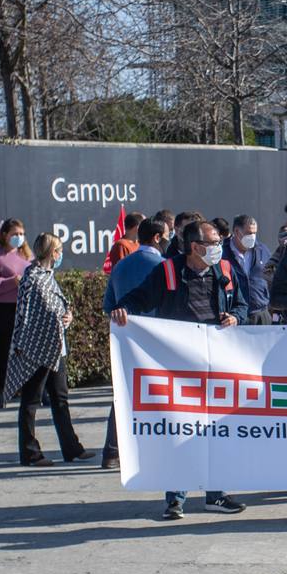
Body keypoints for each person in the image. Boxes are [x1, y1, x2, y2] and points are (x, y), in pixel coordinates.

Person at [110, 220, 248, 519]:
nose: (219, 247)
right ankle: (175, 498)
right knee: (180, 428)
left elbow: (243, 305)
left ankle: (216, 495)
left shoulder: (224, 270)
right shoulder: (168, 271)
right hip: (178, 365)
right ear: (196, 247)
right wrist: (123, 310)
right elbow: (139, 298)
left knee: (216, 429)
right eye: (213, 243)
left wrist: (235, 317)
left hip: (215, 363)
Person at [4, 233, 95, 467]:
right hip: (37, 348)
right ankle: (30, 453)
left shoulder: (47, 276)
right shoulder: (32, 278)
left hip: (56, 347)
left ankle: (71, 448)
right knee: (31, 401)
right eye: (59, 250)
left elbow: (57, 305)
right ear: (52, 252)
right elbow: (31, 314)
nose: (61, 254)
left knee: (60, 398)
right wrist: (57, 318)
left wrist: (68, 316)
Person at [100, 217, 169, 469]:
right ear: (158, 237)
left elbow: (109, 305)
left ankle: (111, 451)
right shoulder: (164, 266)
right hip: (157, 339)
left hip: (126, 339)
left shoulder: (120, 266)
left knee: (124, 394)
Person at [0, 218, 32, 408]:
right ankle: (1, 391)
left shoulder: (26, 255)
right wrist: (11, 281)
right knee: (5, 349)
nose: (19, 238)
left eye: (21, 234)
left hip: (23, 306)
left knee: (25, 349)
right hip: (2, 308)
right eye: (14, 234)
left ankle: (25, 388)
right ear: (4, 235)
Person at [223, 215, 272, 325]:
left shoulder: (262, 250)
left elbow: (271, 277)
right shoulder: (222, 253)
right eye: (249, 233)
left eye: (255, 233)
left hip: (260, 313)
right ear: (236, 231)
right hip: (233, 315)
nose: (253, 237)